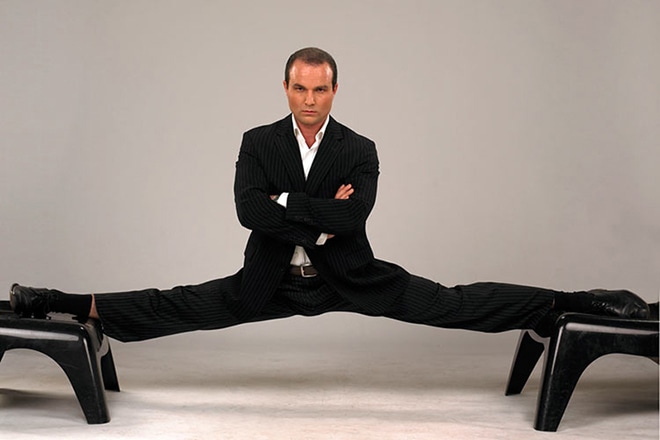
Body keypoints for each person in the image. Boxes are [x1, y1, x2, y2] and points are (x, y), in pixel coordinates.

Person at [10, 47, 650, 344]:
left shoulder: (359, 148)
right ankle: (52, 302)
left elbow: (355, 214)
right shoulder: (258, 140)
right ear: (286, 88)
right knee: (175, 304)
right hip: (270, 281)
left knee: (455, 303)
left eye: (320, 89)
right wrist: (318, 216)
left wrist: (288, 205)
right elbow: (247, 210)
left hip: (351, 277)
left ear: (334, 90)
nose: (310, 99)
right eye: (300, 88)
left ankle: (572, 301)